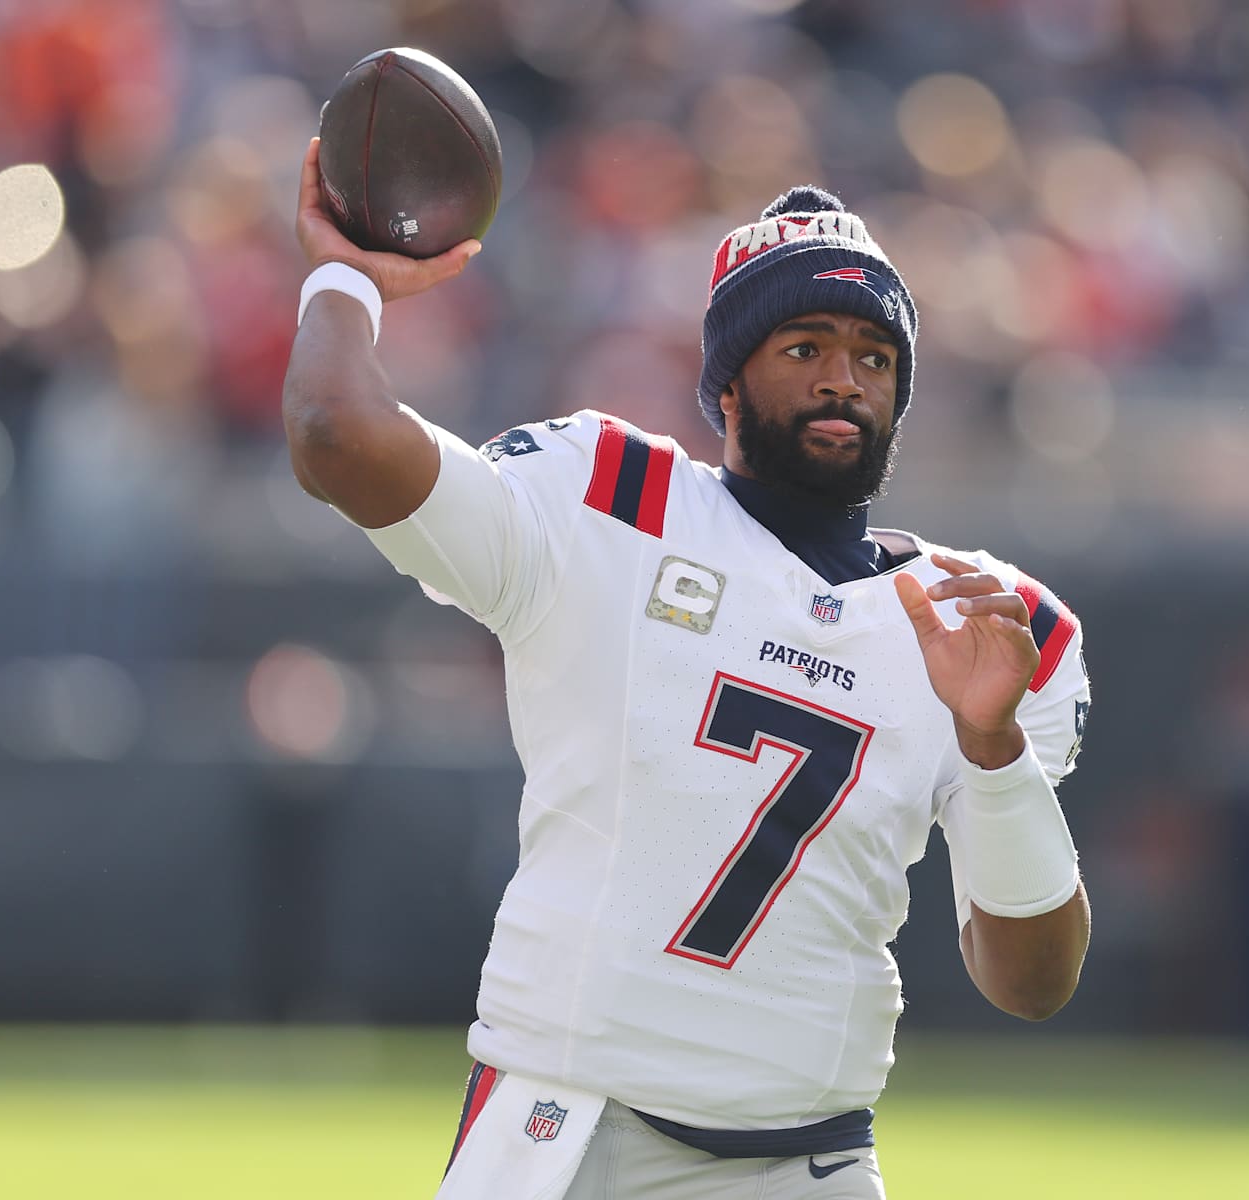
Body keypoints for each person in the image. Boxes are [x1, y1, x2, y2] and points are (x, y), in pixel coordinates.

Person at [282, 136, 1092, 1200]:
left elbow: (1031, 985)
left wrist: (993, 755)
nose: (842, 379)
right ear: (729, 378)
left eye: (872, 354)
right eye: (803, 346)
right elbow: (337, 432)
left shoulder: (980, 620)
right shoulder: (610, 500)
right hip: (562, 1136)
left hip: (811, 1162)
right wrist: (349, 279)